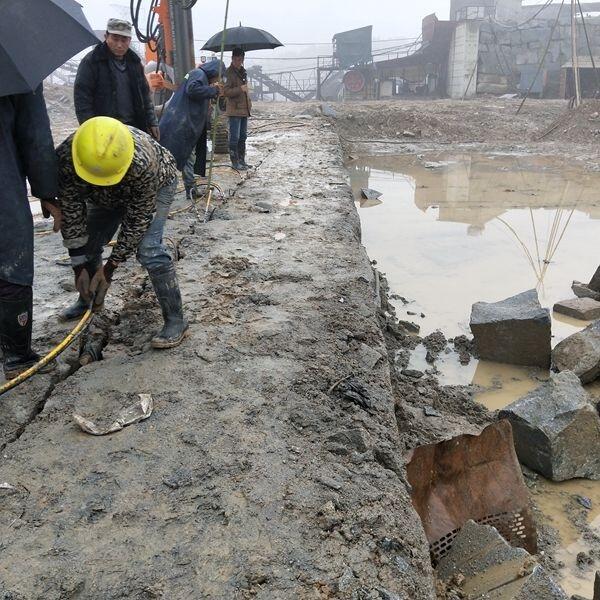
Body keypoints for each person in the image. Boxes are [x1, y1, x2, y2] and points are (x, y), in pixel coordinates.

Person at [56, 116, 187, 349]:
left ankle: (176, 320)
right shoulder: (67, 157)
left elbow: (136, 221)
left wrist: (110, 268)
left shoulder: (143, 165)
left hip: (157, 185)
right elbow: (71, 210)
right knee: (89, 242)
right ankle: (88, 297)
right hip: (102, 195)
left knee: (149, 249)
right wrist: (78, 267)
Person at [0, 86, 61, 380]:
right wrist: (47, 190)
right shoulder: (14, 61)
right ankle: (17, 356)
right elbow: (34, 135)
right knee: (11, 262)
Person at [74, 18, 159, 140]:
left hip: (133, 128)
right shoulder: (92, 62)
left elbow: (145, 96)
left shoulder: (134, 63)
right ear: (106, 36)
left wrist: (152, 121)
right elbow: (82, 99)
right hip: (104, 130)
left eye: (124, 40)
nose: (119, 44)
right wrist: (90, 128)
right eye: (115, 39)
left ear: (129, 40)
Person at [159, 60, 224, 200]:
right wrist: (214, 90)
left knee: (188, 156)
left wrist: (210, 98)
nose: (217, 80)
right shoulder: (198, 74)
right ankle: (160, 190)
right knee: (169, 158)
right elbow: (192, 90)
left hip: (181, 122)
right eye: (218, 76)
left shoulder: (197, 75)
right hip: (181, 124)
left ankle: (190, 188)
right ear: (214, 71)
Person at [224, 48, 252, 170]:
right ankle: (234, 162)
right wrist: (240, 89)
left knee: (243, 136)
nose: (237, 62)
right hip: (234, 110)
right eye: (235, 59)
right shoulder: (229, 73)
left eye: (240, 59)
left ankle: (242, 160)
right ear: (232, 59)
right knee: (234, 137)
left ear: (243, 59)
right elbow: (226, 91)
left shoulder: (243, 72)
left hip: (244, 109)